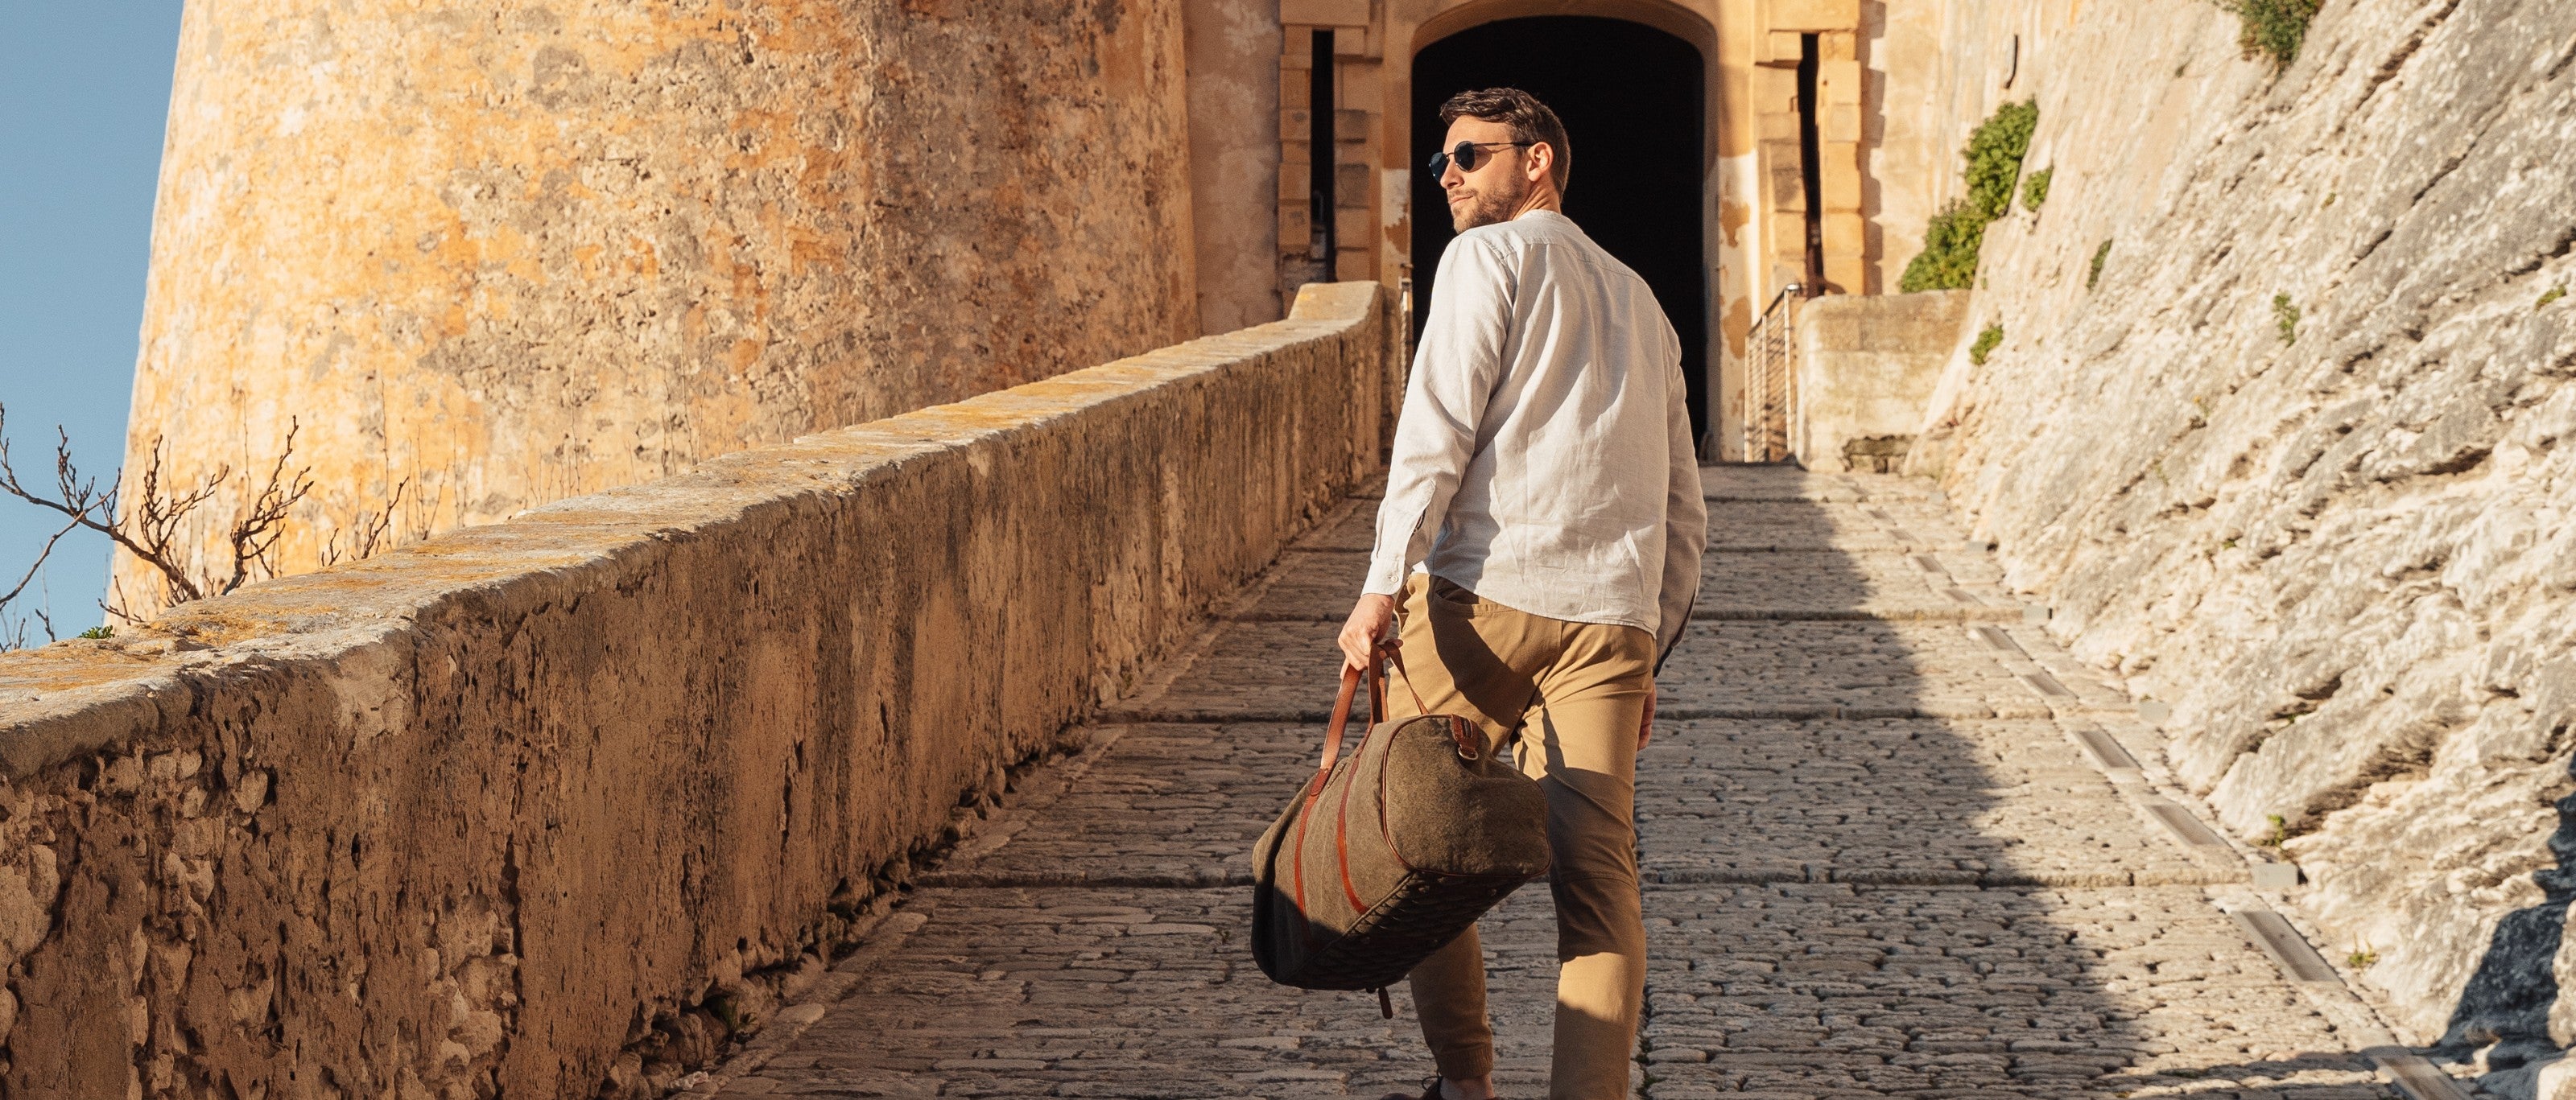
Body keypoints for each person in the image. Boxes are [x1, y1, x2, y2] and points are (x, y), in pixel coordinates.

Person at [1339, 86, 1706, 1100]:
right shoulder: (1643, 303)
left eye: (1468, 155)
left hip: (1480, 601)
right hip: (1607, 626)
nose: (1445, 176)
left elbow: (1434, 434)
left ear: (1535, 159)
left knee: (1418, 843)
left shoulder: (1483, 260)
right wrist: (1646, 646)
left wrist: (1380, 585)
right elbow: (1683, 509)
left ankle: (1466, 1084)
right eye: (1441, 161)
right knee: (1597, 886)